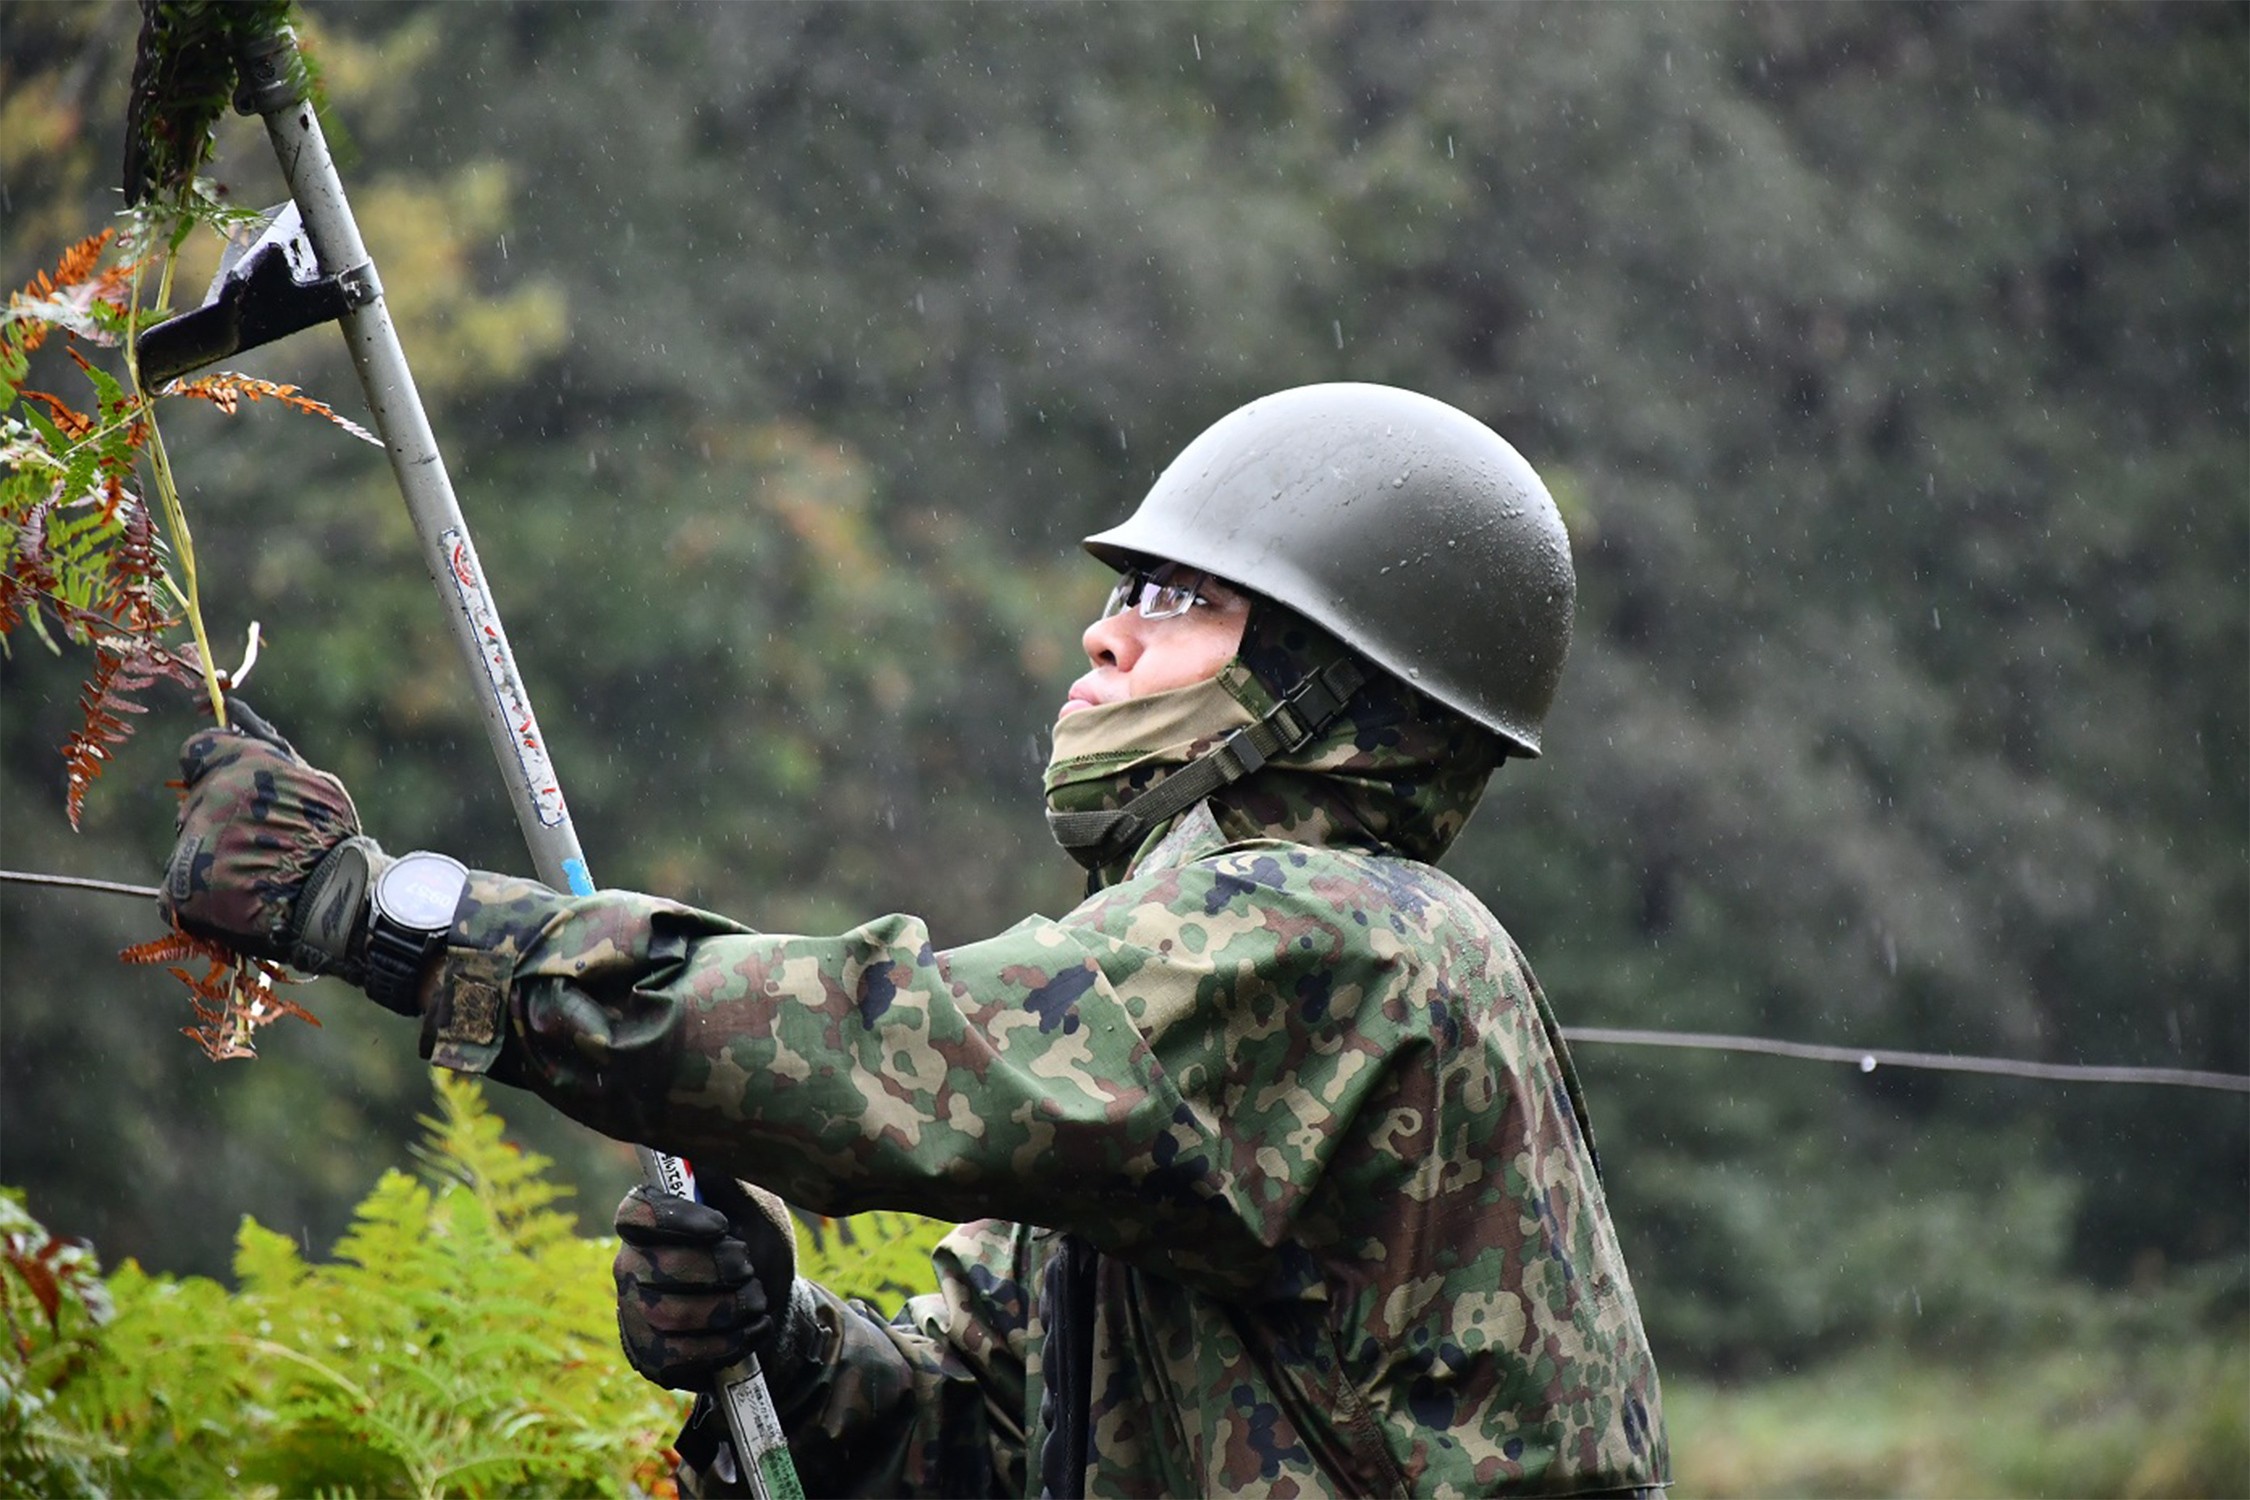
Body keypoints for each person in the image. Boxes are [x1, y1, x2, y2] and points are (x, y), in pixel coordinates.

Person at [161, 383, 1668, 1497]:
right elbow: (984, 1433)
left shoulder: (1331, 941)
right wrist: (787, 1340)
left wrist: (395, 917)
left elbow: (889, 1050)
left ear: (1320, 687)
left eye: (1175, 597)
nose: (1104, 632)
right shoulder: (1202, 1002)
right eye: (1119, 590)